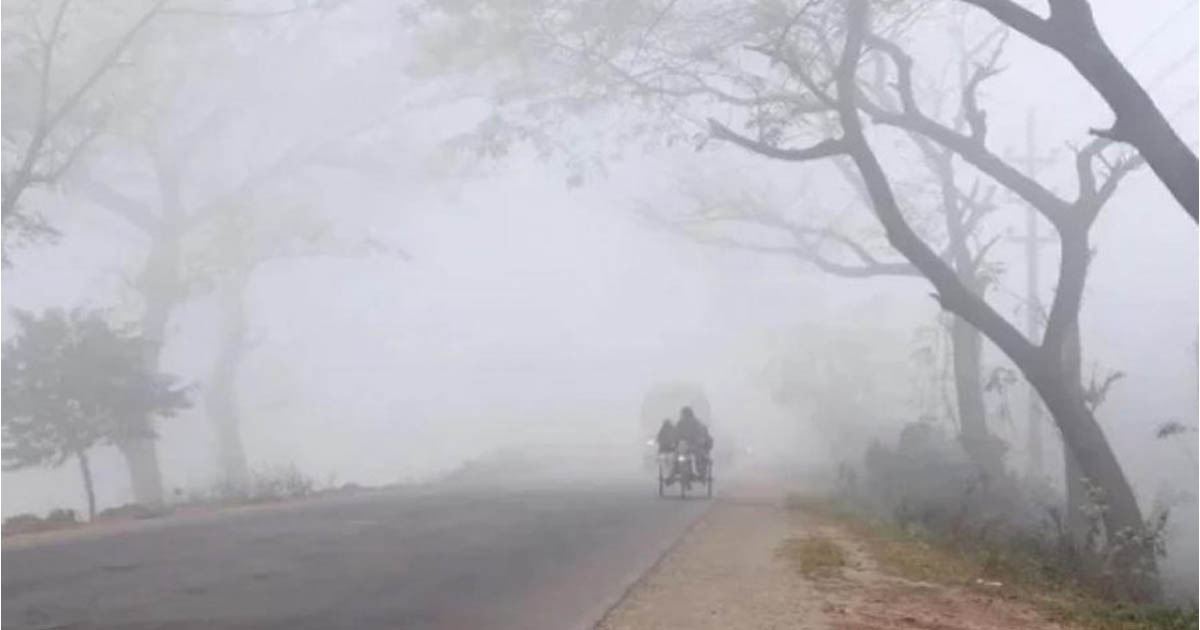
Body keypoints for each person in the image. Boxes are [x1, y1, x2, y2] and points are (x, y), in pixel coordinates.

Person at [675, 406, 713, 478]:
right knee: (675, 456)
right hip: (684, 445)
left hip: (693, 445)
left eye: (684, 413)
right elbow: (675, 434)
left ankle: (699, 471)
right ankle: (676, 470)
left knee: (698, 457)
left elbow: (700, 433)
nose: (683, 415)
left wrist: (700, 440)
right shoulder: (680, 423)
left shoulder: (695, 423)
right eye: (683, 414)